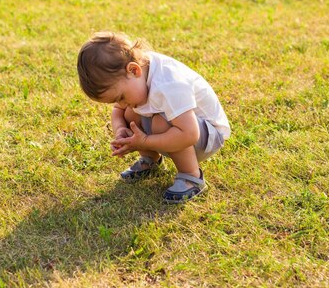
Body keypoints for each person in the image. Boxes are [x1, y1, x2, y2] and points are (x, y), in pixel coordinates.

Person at [77, 32, 231, 203]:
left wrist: (143, 142)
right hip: (183, 130)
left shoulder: (169, 84)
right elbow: (118, 111)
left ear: (134, 70)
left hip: (206, 136)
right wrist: (121, 130)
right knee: (130, 113)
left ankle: (191, 176)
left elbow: (189, 134)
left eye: (121, 97)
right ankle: (150, 160)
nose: (122, 103)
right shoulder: (137, 76)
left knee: (159, 123)